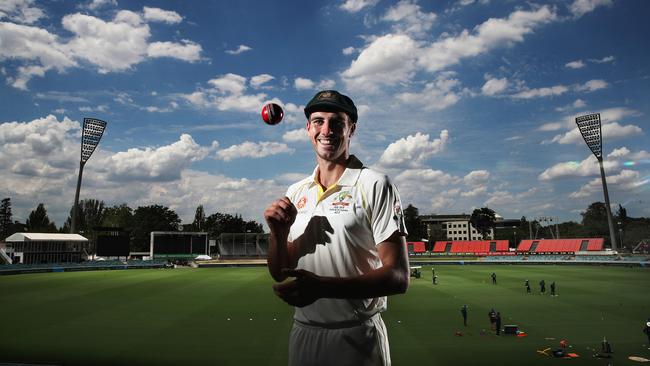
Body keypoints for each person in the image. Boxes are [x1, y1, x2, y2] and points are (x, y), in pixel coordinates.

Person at [265, 90, 410, 366]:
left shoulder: (375, 184)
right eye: (318, 121)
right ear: (308, 128)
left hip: (358, 338)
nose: (326, 130)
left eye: (337, 122)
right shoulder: (296, 192)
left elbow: (399, 277)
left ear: (351, 129)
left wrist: (323, 288)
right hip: (303, 334)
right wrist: (277, 233)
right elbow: (279, 271)